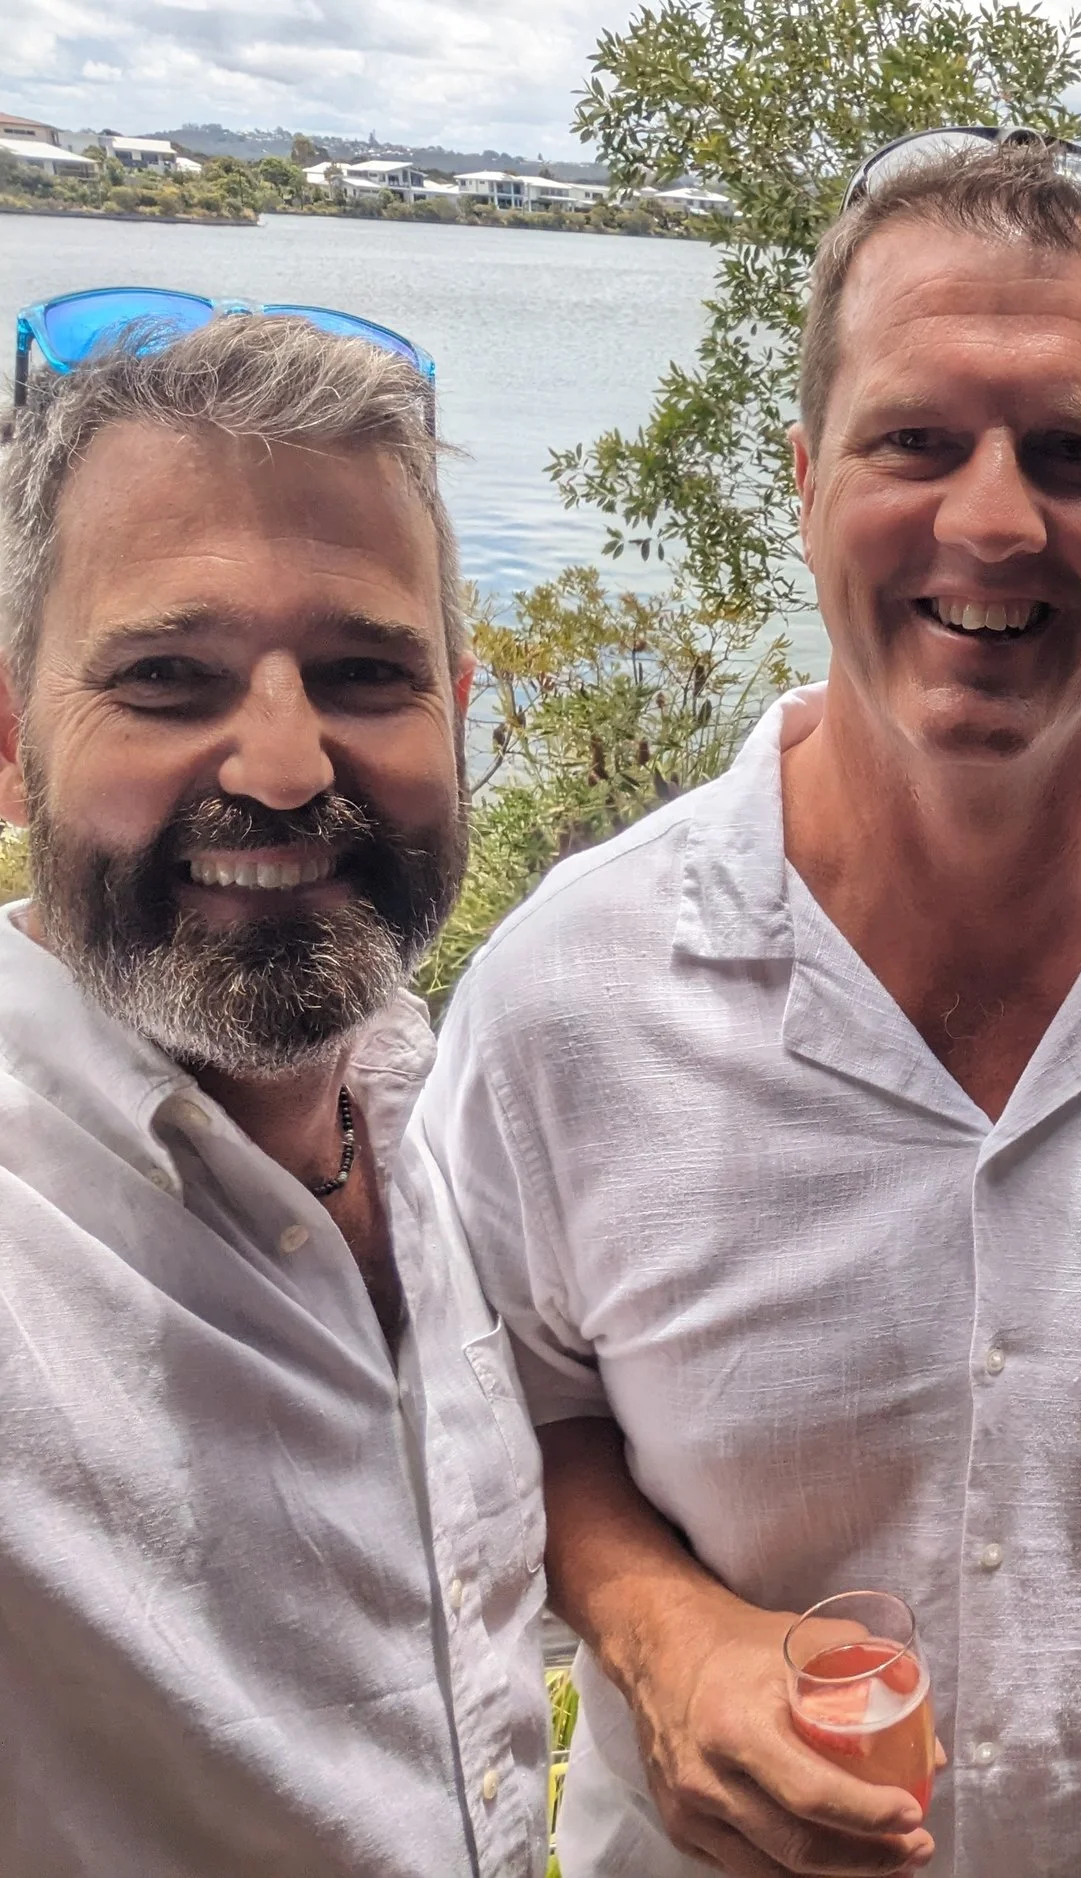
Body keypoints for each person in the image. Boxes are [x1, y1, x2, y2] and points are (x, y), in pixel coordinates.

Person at [409, 132, 1081, 1878]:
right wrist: (663, 1632)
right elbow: (495, 1413)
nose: (992, 520)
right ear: (804, 477)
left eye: (1075, 454)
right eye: (915, 440)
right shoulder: (567, 991)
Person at [0, 315, 548, 1873]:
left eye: (365, 672)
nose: (289, 764)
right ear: (11, 743)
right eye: (170, 680)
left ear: (457, 709)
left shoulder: (437, 1115)